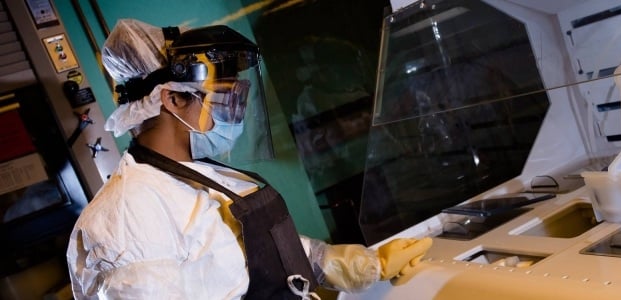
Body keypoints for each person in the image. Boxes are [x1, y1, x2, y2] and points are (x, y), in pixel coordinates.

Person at [66, 19, 432, 299]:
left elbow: (266, 251)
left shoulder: (203, 175)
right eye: (226, 99)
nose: (234, 116)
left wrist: (363, 265)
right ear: (173, 99)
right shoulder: (128, 215)